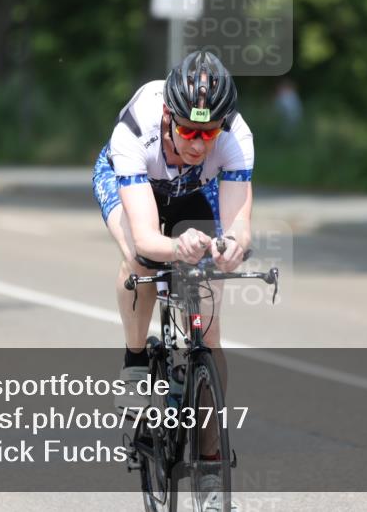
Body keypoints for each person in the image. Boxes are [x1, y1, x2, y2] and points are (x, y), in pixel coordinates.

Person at [92, 50, 252, 511]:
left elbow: (239, 226)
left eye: (209, 132)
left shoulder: (236, 137)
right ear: (168, 116)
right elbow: (146, 237)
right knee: (141, 261)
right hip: (135, 181)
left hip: (194, 188)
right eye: (188, 131)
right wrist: (175, 247)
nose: (199, 144)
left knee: (210, 332)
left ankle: (210, 463)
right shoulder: (135, 130)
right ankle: (135, 360)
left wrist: (230, 246)